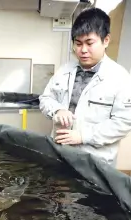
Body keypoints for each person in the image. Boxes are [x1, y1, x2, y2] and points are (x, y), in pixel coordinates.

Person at [39, 7, 131, 166]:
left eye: (89, 43)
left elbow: (122, 123)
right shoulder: (64, 70)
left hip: (94, 162)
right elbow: (46, 99)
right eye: (78, 43)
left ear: (106, 40)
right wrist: (57, 110)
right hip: (59, 153)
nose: (83, 50)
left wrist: (83, 136)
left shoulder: (120, 78)